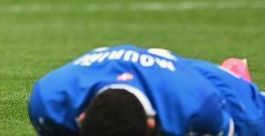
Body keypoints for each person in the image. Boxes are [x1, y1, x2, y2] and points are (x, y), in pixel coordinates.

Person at [28, 45, 265, 135]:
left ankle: (236, 76)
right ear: (81, 119)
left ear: (152, 125)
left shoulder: (199, 109)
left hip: (218, 89)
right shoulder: (50, 103)